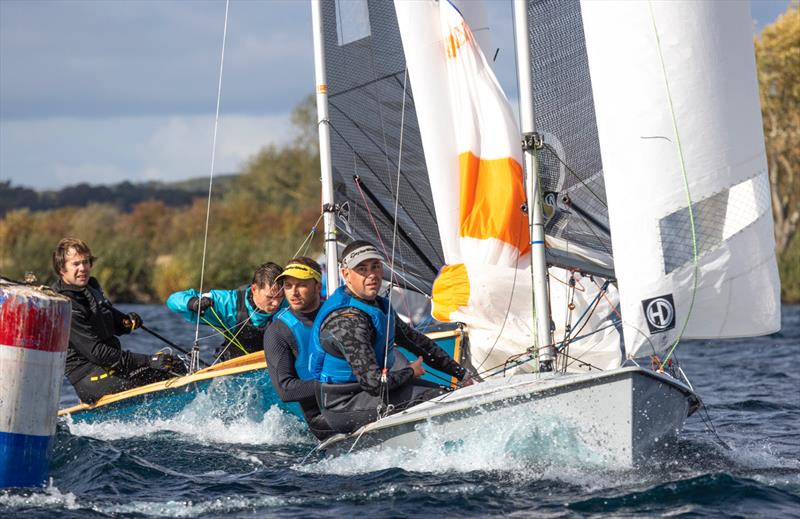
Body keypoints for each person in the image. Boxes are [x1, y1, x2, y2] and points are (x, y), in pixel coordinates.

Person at [308, 240, 471, 434]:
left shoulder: (379, 305)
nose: (371, 275)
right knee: (435, 397)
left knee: (448, 394)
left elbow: (418, 343)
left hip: (367, 393)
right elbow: (374, 384)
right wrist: (410, 371)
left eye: (375, 267)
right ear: (346, 275)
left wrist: (462, 374)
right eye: (362, 269)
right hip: (343, 405)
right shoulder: (346, 321)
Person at [51, 237, 185, 404]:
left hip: (109, 368)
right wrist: (148, 360)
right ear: (61, 269)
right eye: (76, 264)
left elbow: (110, 321)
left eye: (86, 262)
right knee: (166, 371)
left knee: (175, 364)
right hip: (89, 378)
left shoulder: (91, 287)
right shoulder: (66, 304)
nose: (83, 268)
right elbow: (98, 353)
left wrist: (126, 321)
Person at [262, 257, 334, 440]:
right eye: (288, 285)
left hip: (359, 398)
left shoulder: (337, 314)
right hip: (322, 416)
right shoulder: (278, 331)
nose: (293, 292)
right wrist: (340, 384)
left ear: (318, 286)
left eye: (300, 285)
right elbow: (286, 390)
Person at [166, 262, 285, 361]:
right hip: (236, 372)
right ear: (254, 289)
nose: (276, 303)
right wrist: (193, 302)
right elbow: (173, 300)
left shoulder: (290, 304)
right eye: (270, 297)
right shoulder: (228, 303)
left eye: (280, 297)